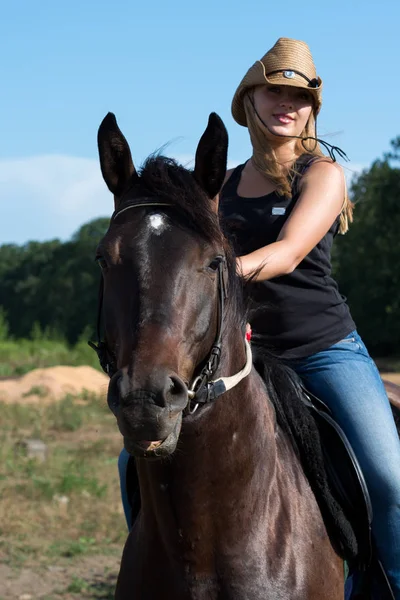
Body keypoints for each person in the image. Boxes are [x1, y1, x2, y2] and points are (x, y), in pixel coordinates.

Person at [218, 37, 400, 597]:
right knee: (136, 455)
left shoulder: (321, 174)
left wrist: (216, 274)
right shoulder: (219, 188)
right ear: (250, 98)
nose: (287, 104)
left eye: (298, 97)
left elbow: (290, 251)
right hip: (244, 358)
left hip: (323, 349)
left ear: (311, 110)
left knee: (390, 480)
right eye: (275, 90)